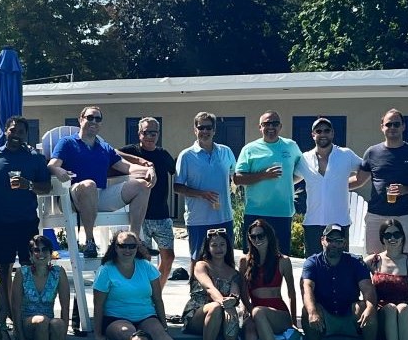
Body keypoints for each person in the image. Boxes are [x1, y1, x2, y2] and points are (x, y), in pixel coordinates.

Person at [92, 230, 202, 340]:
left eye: (132, 246)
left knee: (159, 333)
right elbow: (98, 305)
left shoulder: (146, 266)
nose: (127, 250)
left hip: (145, 315)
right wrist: (98, 334)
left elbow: (157, 299)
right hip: (115, 318)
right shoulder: (106, 270)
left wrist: (164, 324)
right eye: (123, 246)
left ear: (137, 247)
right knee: (129, 333)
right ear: (115, 247)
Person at [47, 106, 154, 258]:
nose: (94, 121)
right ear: (81, 120)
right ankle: (90, 241)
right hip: (71, 198)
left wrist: (148, 171)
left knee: (142, 185)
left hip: (99, 196)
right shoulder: (67, 143)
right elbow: (52, 165)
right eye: (90, 117)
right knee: (89, 184)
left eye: (98, 119)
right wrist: (59, 171)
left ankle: (134, 241)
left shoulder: (104, 147)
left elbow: (127, 166)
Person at [0, 115, 53, 304]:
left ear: (26, 134)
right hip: (1, 221)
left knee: (28, 266)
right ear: (5, 131)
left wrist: (29, 185)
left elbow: (46, 187)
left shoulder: (35, 159)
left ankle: (26, 306)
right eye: (12, 130)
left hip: (26, 221)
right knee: (3, 267)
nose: (16, 134)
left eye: (20, 132)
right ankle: (5, 309)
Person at [301, 224, 379, 340]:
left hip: (350, 316)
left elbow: (368, 289)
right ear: (322, 240)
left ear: (344, 243)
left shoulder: (356, 262)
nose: (334, 245)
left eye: (339, 241)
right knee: (307, 310)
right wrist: (312, 312)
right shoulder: (312, 262)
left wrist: (370, 308)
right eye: (330, 240)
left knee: (367, 308)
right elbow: (307, 287)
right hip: (325, 318)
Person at [356, 109, 408, 254]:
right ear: (382, 127)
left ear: (403, 126)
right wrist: (332, 184)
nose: (392, 128)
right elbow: (359, 180)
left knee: (406, 259)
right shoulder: (372, 152)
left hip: (403, 215)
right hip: (376, 215)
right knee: (374, 261)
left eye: (396, 124)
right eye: (389, 124)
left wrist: (407, 189)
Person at [295, 117, 368, 256]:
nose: (323, 134)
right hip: (313, 223)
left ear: (332, 133)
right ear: (313, 134)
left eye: (327, 130)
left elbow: (367, 168)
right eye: (319, 131)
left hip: (339, 222)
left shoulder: (346, 155)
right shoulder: (304, 159)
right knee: (313, 266)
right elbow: (291, 179)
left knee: (340, 267)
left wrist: (345, 184)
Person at [233, 111, 303, 254]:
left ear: (280, 126)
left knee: (280, 258)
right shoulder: (250, 149)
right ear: (260, 127)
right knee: (253, 258)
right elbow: (238, 178)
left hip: (283, 213)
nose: (271, 127)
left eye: (275, 123)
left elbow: (300, 172)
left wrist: (286, 182)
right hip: (256, 212)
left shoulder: (291, 146)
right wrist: (264, 175)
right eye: (266, 124)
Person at [120, 117, 177, 284]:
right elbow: (112, 152)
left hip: (162, 215)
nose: (150, 136)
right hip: (140, 216)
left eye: (153, 132)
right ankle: (143, 295)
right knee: (143, 260)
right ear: (139, 134)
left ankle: (156, 293)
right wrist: (139, 161)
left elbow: (179, 174)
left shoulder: (163, 155)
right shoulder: (132, 151)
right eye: (146, 132)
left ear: (158, 134)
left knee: (169, 258)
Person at [239, 219, 297, 340]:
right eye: (253, 237)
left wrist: (293, 322)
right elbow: (244, 293)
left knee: (258, 312)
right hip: (256, 312)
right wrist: (248, 311)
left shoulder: (283, 261)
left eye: (261, 235)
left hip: (279, 314)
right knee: (249, 326)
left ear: (269, 236)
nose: (257, 239)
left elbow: (292, 293)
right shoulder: (245, 261)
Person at [174, 111, 236, 261]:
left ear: (214, 130)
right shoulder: (186, 156)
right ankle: (195, 285)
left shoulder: (226, 152)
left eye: (208, 128)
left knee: (226, 261)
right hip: (198, 219)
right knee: (198, 261)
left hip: (223, 217)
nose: (205, 131)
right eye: (201, 128)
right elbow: (177, 187)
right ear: (195, 130)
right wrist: (201, 194)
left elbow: (236, 176)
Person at [181, 228, 243, 340]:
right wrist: (223, 302)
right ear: (208, 247)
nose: (218, 249)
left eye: (222, 244)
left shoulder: (233, 272)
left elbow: (235, 293)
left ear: (228, 247)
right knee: (216, 307)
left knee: (231, 309)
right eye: (214, 245)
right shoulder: (201, 265)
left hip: (222, 317)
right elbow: (209, 288)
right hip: (197, 314)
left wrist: (232, 301)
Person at [11, 235, 71, 340]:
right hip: (27, 324)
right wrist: (20, 336)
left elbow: (65, 306)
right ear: (31, 255)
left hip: (48, 323)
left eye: (45, 250)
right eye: (36, 250)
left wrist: (63, 332)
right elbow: (15, 308)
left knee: (57, 323)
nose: (41, 254)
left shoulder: (58, 273)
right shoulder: (21, 273)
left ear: (51, 254)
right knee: (42, 320)